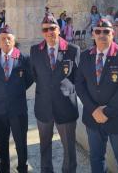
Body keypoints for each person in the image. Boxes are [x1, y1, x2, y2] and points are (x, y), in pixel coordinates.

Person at [75, 18, 118, 173]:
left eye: (106, 31)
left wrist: (106, 112)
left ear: (113, 34)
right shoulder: (85, 56)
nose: (102, 34)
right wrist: (94, 110)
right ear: (93, 34)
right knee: (96, 158)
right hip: (93, 117)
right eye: (98, 31)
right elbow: (80, 85)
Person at [30, 13, 80, 173]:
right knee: (44, 146)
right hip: (43, 106)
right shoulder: (35, 51)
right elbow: (35, 76)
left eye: (52, 28)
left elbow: (78, 78)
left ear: (59, 29)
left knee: (69, 148)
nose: (49, 32)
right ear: (42, 32)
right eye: (45, 29)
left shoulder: (72, 50)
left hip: (66, 107)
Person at [0, 25, 33, 173]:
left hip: (18, 107)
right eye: (2, 39)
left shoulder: (23, 58)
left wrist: (16, 90)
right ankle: (4, 166)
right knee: (1, 140)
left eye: (9, 38)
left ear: (14, 41)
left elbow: (29, 78)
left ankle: (22, 166)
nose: (6, 41)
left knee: (21, 140)